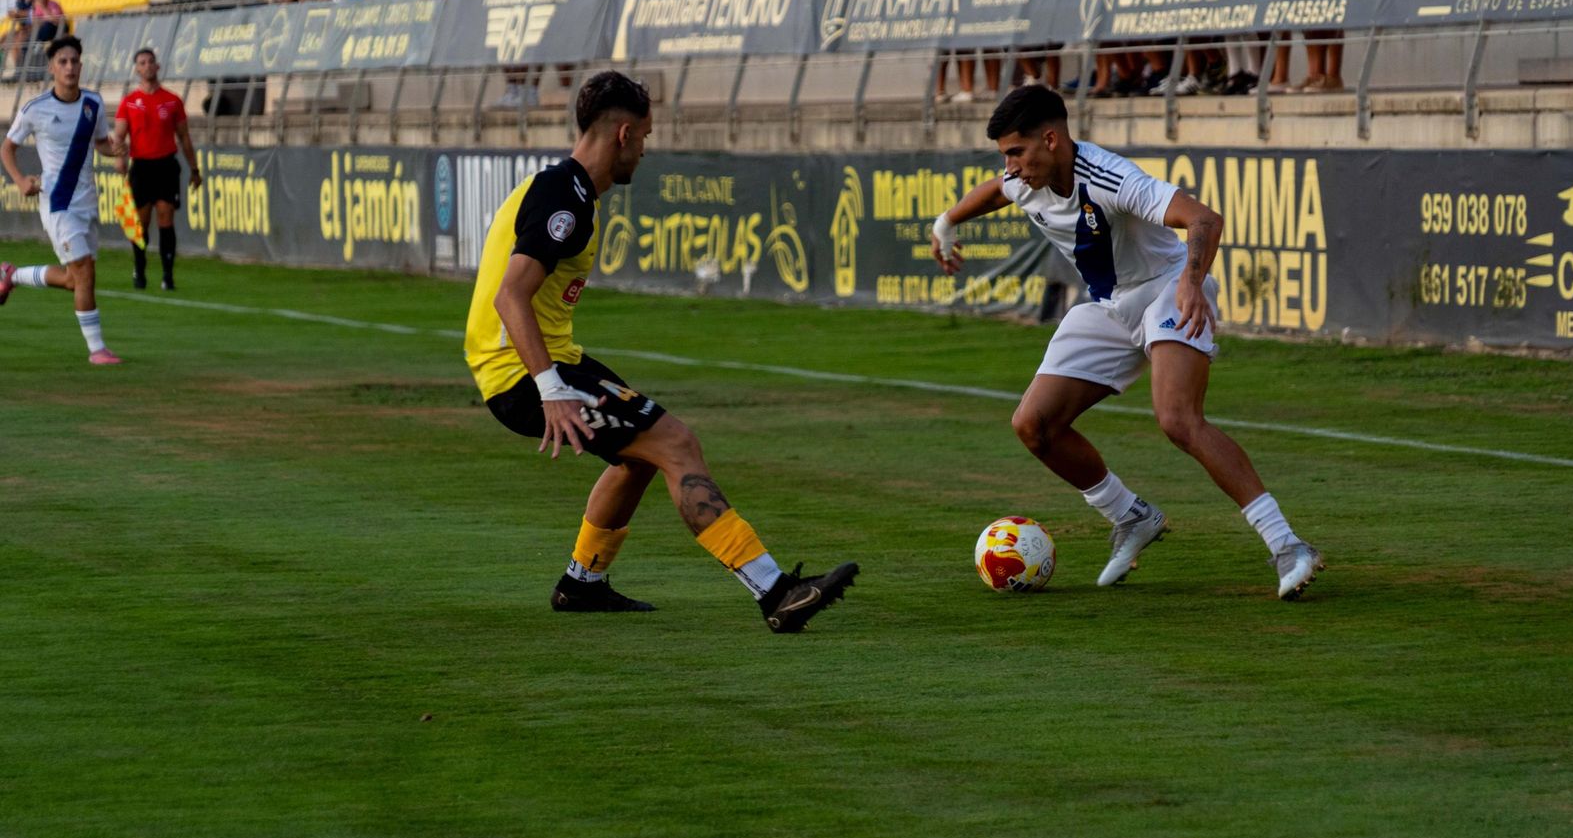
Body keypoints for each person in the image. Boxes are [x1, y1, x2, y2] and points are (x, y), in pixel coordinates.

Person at [464, 71, 858, 631]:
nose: (645, 150)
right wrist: (550, 390)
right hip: (523, 373)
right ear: (623, 134)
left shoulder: (566, 189)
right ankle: (776, 593)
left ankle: (583, 583)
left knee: (640, 455)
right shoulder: (565, 197)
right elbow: (511, 294)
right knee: (675, 443)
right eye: (645, 137)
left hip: (544, 361)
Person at [928, 86, 1323, 600]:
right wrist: (948, 221)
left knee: (1178, 420)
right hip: (1111, 305)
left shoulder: (1109, 177)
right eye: (1004, 155)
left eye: (1016, 152)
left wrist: (1190, 280)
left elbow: (1204, 219)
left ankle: (1287, 545)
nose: (1010, 167)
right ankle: (1131, 517)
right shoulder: (1024, 180)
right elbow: (993, 191)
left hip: (1169, 288)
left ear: (1051, 139)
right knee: (1034, 425)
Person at [0, 36, 128, 365]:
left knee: (76, 280)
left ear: (81, 66)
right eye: (63, 62)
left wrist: (113, 148)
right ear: (52, 68)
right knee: (83, 272)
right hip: (58, 204)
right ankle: (97, 350)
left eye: (74, 61)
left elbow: (99, 142)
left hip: (87, 201)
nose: (69, 67)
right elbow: (7, 148)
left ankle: (10, 275)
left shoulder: (93, 104)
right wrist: (19, 179)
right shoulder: (36, 108)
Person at [112, 48, 202, 291]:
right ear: (137, 69)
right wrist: (119, 158)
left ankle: (167, 275)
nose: (148, 66)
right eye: (142, 62)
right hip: (141, 166)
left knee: (165, 216)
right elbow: (119, 136)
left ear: (158, 67)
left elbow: (184, 137)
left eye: (151, 61)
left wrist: (194, 169)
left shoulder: (172, 100)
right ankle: (139, 269)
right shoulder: (129, 102)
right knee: (141, 223)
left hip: (165, 165)